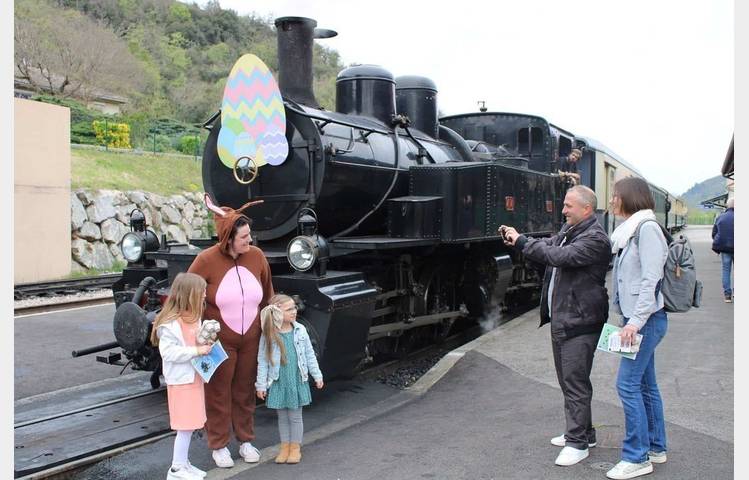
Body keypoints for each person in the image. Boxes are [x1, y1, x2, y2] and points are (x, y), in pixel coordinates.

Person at [500, 185, 611, 467]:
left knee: (574, 382)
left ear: (586, 209)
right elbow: (550, 246)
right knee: (568, 380)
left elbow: (558, 257)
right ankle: (584, 433)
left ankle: (577, 444)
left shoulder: (595, 239)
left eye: (568, 206)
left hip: (580, 320)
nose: (563, 210)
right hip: (565, 317)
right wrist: (520, 240)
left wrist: (523, 242)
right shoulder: (570, 231)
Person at [188, 194, 274, 468]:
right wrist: (197, 330)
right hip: (219, 342)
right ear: (228, 238)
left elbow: (267, 294)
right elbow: (187, 296)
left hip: (250, 338)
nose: (249, 240)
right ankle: (219, 444)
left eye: (249, 235)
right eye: (244, 237)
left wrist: (272, 327)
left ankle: (246, 439)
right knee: (218, 392)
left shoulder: (257, 257)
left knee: (244, 390)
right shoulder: (205, 260)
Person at [606, 176, 669, 480]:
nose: (612, 200)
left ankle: (637, 456)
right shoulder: (631, 230)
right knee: (645, 385)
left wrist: (633, 323)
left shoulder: (647, 230)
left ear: (629, 197)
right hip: (639, 321)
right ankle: (656, 447)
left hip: (643, 322)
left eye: (615, 195)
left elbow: (651, 280)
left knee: (627, 385)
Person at [150, 272, 213, 480]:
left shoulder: (193, 318)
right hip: (181, 382)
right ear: (190, 294)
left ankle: (184, 464)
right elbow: (169, 353)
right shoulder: (170, 324)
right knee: (184, 427)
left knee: (192, 422)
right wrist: (198, 351)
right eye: (202, 291)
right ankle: (176, 469)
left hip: (193, 378)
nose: (205, 294)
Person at [256, 294, 324, 465]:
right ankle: (284, 446)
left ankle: (295, 447)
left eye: (294, 307)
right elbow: (263, 361)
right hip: (279, 381)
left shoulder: (300, 330)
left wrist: (317, 375)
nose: (295, 311)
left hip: (295, 379)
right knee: (282, 417)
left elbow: (309, 354)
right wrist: (261, 384)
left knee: (295, 416)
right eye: (289, 309)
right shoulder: (269, 334)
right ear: (277, 313)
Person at [712, 198, 734, 302]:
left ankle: (727, 295)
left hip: (725, 248)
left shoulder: (720, 217)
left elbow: (714, 234)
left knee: (726, 270)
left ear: (727, 206)